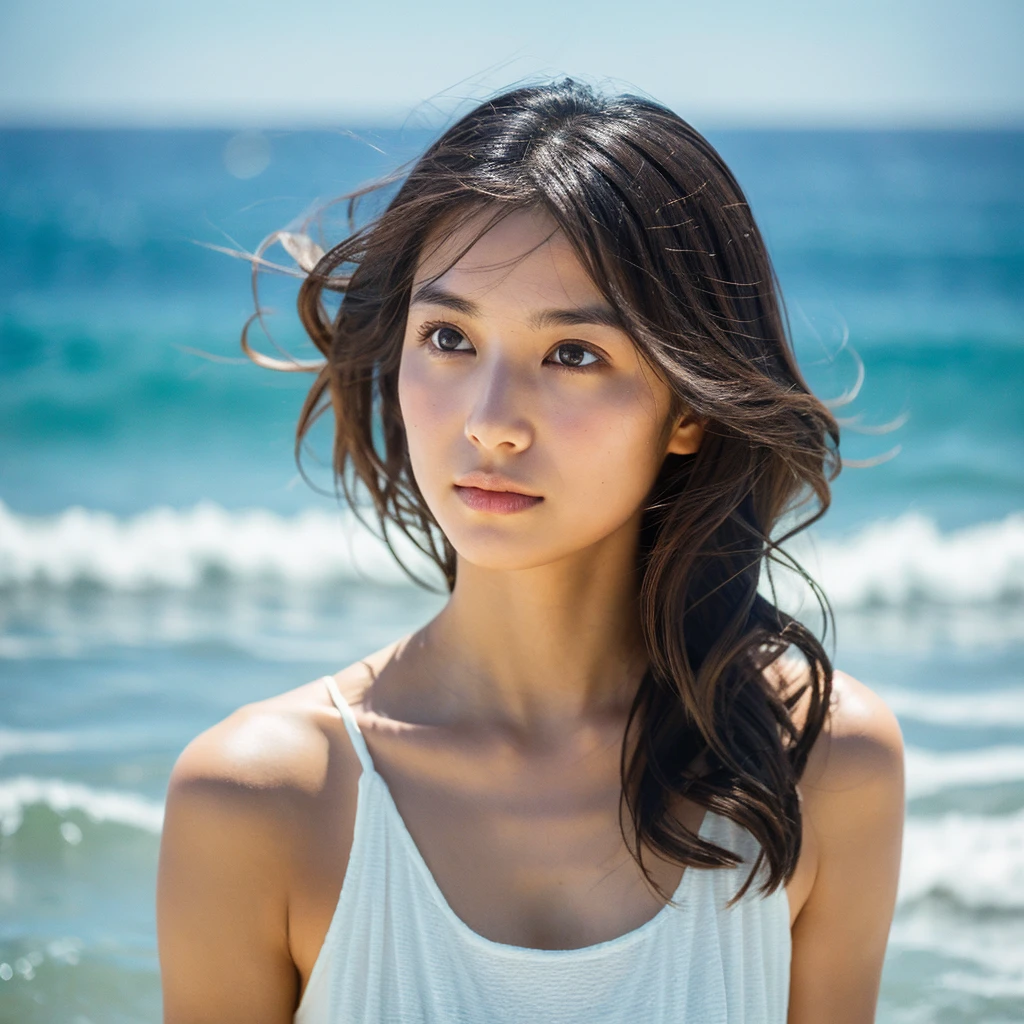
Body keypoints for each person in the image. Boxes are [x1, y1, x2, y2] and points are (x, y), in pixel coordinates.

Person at [156, 79, 905, 1023]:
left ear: (687, 408)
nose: (491, 422)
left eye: (574, 355)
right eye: (448, 337)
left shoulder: (818, 767)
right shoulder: (262, 797)